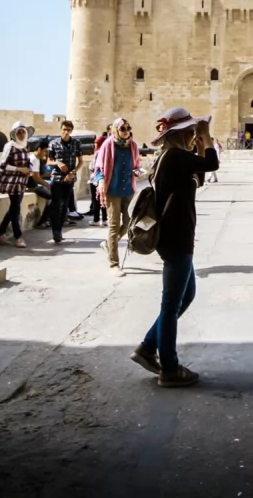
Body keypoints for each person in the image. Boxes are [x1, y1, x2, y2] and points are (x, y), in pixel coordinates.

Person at [130, 106, 218, 387]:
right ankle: (169, 367)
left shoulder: (170, 158)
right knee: (171, 304)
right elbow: (212, 165)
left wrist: (200, 143)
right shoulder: (175, 157)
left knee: (186, 294)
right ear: (179, 134)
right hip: (176, 237)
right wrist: (207, 136)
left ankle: (147, 347)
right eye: (191, 132)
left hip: (175, 236)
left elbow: (199, 177)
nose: (194, 136)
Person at [95, 119, 141, 275]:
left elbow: (136, 166)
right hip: (112, 190)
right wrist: (101, 181)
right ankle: (114, 263)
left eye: (128, 128)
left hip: (128, 189)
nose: (126, 131)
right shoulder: (108, 146)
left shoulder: (132, 146)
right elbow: (99, 168)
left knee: (129, 224)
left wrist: (141, 173)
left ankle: (109, 244)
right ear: (115, 130)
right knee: (114, 225)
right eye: (122, 128)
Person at [0, 121, 34, 248]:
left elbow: (27, 162)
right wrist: (20, 170)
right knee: (15, 209)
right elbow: (3, 164)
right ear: (15, 134)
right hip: (12, 182)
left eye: (23, 132)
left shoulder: (26, 146)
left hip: (21, 182)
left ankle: (0, 233)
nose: (21, 134)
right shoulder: (10, 146)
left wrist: (28, 170)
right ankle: (18, 237)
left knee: (13, 208)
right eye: (19, 132)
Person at [47, 120, 83, 244]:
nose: (66, 132)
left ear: (71, 130)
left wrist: (73, 173)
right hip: (56, 177)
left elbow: (81, 162)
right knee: (55, 204)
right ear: (61, 129)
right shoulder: (54, 143)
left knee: (65, 205)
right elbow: (48, 161)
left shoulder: (76, 143)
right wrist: (57, 163)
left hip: (70, 178)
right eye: (64, 129)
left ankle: (60, 230)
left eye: (68, 129)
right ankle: (55, 231)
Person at [28, 138, 52, 228]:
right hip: (31, 185)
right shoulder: (33, 159)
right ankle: (43, 221)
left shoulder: (36, 159)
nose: (46, 154)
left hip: (34, 184)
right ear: (39, 149)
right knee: (52, 197)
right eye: (45, 151)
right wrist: (47, 185)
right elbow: (36, 177)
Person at [88, 135, 108, 227]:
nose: (95, 145)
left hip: (95, 180)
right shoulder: (106, 152)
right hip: (104, 179)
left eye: (96, 143)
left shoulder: (98, 153)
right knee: (103, 200)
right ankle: (105, 219)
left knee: (96, 200)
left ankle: (96, 220)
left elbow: (93, 167)